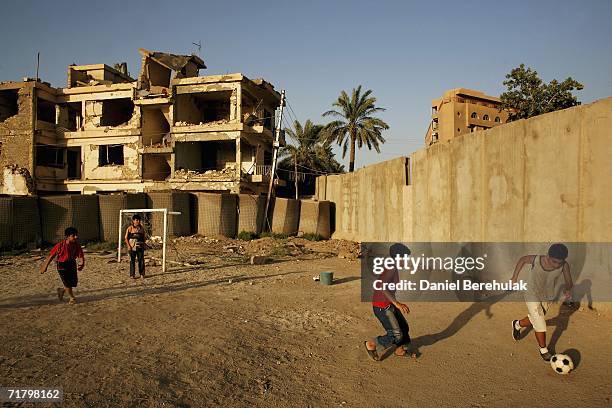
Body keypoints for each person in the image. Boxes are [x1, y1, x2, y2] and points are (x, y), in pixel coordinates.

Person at [510, 243, 573, 361]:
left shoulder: (564, 266)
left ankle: (517, 324)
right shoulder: (537, 260)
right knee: (540, 322)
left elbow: (569, 281)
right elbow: (523, 260)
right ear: (547, 256)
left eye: (559, 262)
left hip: (547, 296)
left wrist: (568, 288)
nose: (556, 265)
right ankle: (544, 350)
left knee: (535, 318)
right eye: (554, 261)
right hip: (531, 293)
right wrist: (514, 277)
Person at [364, 243, 413, 361]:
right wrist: (397, 303)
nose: (406, 260)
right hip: (381, 306)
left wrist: (395, 303)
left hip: (388, 303)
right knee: (396, 334)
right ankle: (372, 344)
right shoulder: (391, 267)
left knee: (404, 327)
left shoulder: (393, 267)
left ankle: (399, 350)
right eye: (405, 257)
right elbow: (383, 287)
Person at [40, 227, 85, 305]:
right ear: (67, 236)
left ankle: (62, 290)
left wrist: (81, 264)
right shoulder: (60, 245)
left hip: (71, 263)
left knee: (73, 282)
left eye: (76, 235)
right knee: (67, 283)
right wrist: (45, 266)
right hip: (62, 265)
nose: (76, 237)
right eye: (73, 235)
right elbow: (51, 256)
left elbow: (81, 256)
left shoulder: (77, 245)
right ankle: (72, 298)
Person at [124, 214, 146, 279]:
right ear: (133, 221)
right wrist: (129, 246)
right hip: (132, 247)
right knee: (132, 261)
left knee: (141, 261)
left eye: (139, 220)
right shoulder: (130, 228)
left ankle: (142, 274)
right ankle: (132, 275)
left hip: (140, 247)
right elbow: (126, 238)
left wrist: (143, 244)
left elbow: (144, 237)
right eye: (136, 220)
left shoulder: (142, 228)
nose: (138, 221)